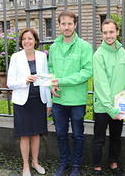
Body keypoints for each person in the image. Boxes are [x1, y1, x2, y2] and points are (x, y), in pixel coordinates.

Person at [48, 10, 93, 176]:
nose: (66, 27)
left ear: (75, 25)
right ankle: (64, 164)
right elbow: (51, 68)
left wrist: (61, 81)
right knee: (60, 135)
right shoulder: (54, 47)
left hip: (76, 100)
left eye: (70, 24)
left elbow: (87, 72)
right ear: (59, 25)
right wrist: (52, 84)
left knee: (78, 135)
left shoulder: (85, 47)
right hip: (58, 99)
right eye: (63, 24)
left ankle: (76, 166)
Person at [7, 28, 52, 176]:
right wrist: (24, 81)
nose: (27, 41)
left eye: (30, 38)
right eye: (24, 39)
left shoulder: (42, 57)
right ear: (21, 42)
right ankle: (26, 165)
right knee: (25, 135)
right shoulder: (15, 57)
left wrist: (49, 103)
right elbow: (10, 83)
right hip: (22, 102)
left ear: (36, 41)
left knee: (36, 134)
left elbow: (46, 81)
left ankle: (35, 162)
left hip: (39, 101)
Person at [92, 19, 125, 176]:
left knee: (116, 138)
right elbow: (101, 85)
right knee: (99, 140)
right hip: (103, 107)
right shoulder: (98, 55)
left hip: (119, 106)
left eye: (111, 32)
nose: (108, 35)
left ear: (117, 32)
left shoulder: (122, 51)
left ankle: (114, 166)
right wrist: (110, 108)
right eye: (105, 32)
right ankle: (97, 169)